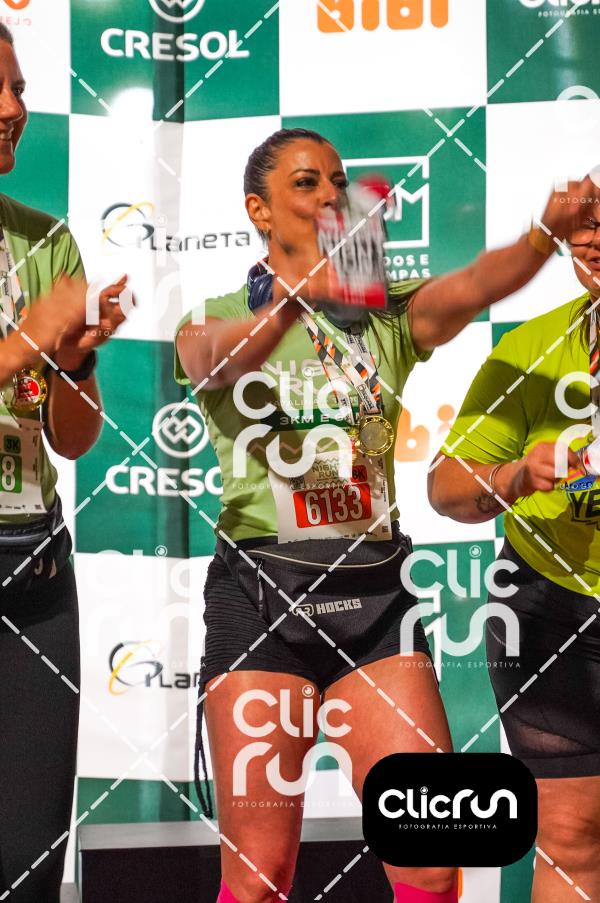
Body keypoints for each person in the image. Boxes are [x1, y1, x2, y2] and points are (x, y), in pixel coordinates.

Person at [175, 127, 594, 903]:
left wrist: (544, 233)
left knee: (431, 860)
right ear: (258, 210)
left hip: (375, 602)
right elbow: (217, 361)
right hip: (263, 601)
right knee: (259, 877)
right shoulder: (215, 317)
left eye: (338, 181)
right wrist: (300, 297)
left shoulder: (384, 317)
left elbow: (476, 284)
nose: (331, 195)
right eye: (307, 183)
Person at [428, 194, 600, 901]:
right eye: (587, 224)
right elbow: (445, 487)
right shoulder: (533, 348)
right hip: (551, 609)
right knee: (570, 835)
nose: (595, 240)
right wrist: (514, 477)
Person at [0, 24, 129, 903]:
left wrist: (74, 361)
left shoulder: (46, 242)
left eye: (18, 87)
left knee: (30, 856)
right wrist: (23, 344)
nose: (15, 107)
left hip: (32, 569)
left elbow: (72, 438)